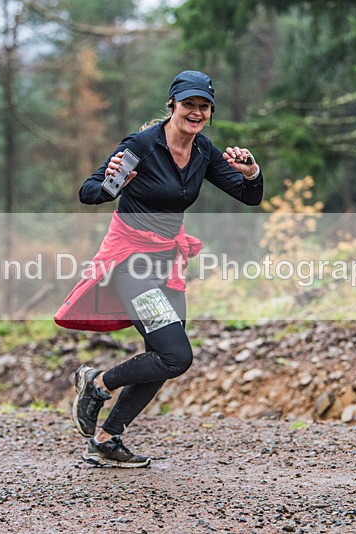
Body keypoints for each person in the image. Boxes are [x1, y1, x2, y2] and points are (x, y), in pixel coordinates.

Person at [55, 70, 263, 468]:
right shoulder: (141, 146)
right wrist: (114, 185)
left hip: (167, 263)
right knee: (175, 356)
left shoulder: (203, 151)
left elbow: (247, 196)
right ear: (173, 105)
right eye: (188, 105)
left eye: (203, 106)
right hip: (131, 263)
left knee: (161, 357)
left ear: (210, 111)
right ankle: (96, 384)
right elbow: (88, 191)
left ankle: (107, 439)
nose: (196, 112)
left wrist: (251, 172)